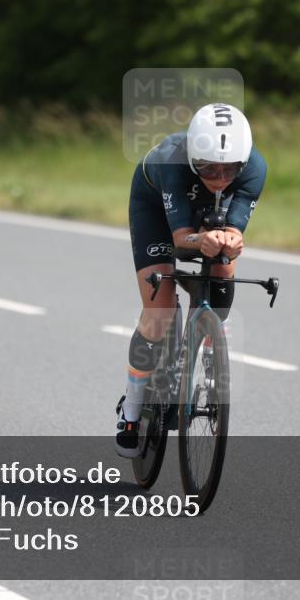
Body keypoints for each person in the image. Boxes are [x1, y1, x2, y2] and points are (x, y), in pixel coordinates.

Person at [116, 103, 267, 457]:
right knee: (160, 309)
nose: (218, 177)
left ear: (243, 163)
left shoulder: (255, 168)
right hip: (155, 206)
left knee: (225, 263)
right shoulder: (173, 161)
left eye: (229, 169)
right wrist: (202, 240)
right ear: (193, 158)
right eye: (207, 168)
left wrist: (231, 239)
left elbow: (232, 231)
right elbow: (182, 238)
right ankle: (132, 410)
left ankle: (213, 341)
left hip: (206, 209)